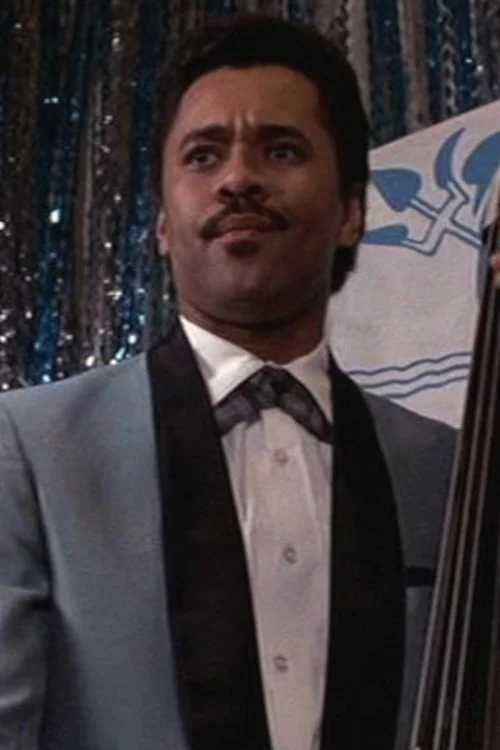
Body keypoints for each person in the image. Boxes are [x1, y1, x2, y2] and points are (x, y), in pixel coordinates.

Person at [0, 12, 495, 750]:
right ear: (162, 224)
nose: (237, 179)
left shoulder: (446, 469)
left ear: (352, 211)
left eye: (282, 150)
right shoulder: (30, 447)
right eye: (202, 156)